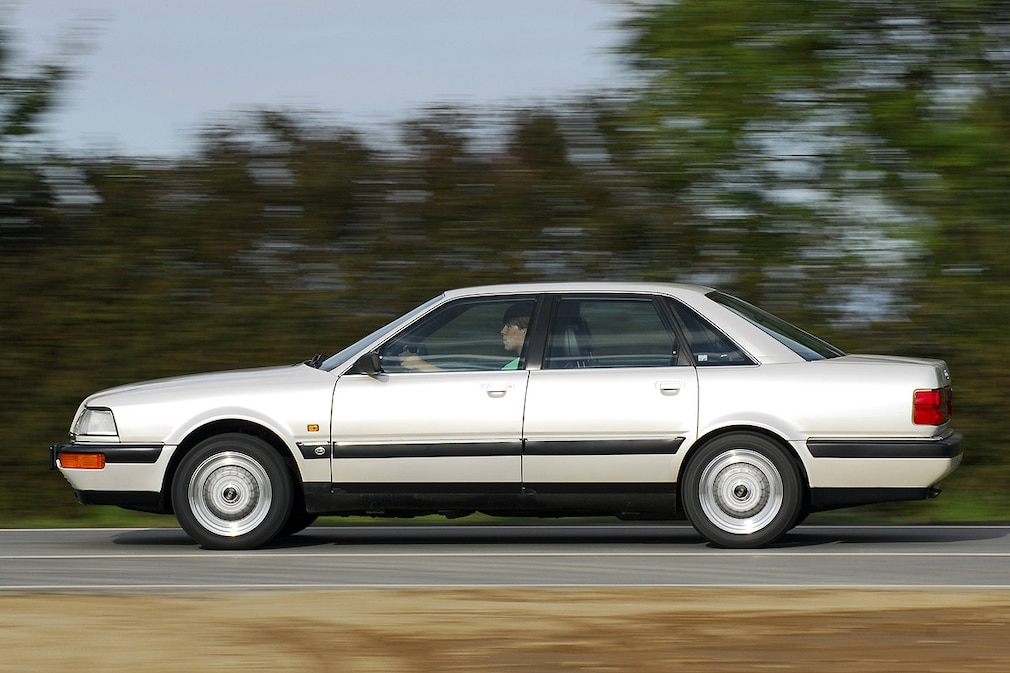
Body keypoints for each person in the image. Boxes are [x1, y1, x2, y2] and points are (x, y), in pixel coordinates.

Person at [399, 303, 530, 372]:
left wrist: (419, 364)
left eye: (509, 326)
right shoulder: (520, 365)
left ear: (524, 330)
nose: (502, 331)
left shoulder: (518, 369)